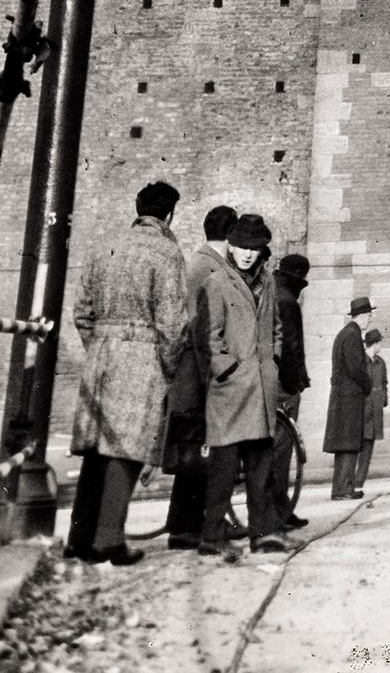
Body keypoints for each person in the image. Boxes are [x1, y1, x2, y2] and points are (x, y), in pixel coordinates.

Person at [65, 181, 190, 567]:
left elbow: (82, 312)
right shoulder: (167, 253)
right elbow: (172, 324)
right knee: (128, 448)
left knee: (97, 449)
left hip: (102, 354)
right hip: (143, 356)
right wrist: (166, 368)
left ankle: (79, 539)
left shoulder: (105, 246)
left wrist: (102, 345)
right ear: (169, 215)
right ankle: (109, 541)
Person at [200, 213, 291, 558]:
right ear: (230, 246)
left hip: (262, 388)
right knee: (222, 469)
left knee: (260, 466)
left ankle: (262, 532)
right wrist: (229, 370)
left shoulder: (267, 282)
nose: (248, 254)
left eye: (255, 248)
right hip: (230, 391)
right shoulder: (217, 282)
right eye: (241, 247)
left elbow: (276, 327)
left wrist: (274, 362)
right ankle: (211, 535)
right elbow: (209, 338)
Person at [163, 205, 234, 550]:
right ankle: (191, 528)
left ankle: (183, 526)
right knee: (200, 450)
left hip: (190, 371)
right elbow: (204, 329)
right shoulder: (211, 269)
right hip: (200, 373)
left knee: (193, 451)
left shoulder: (197, 263)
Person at [271, 253, 312, 531]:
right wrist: (296, 382)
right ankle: (278, 511)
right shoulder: (288, 301)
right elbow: (290, 348)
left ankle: (279, 507)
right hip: (283, 388)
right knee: (281, 451)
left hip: (268, 383)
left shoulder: (272, 294)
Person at [325, 297, 375, 500]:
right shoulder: (353, 335)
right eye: (369, 316)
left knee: (344, 443)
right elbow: (356, 368)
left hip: (342, 397)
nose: (370, 320)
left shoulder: (344, 334)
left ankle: (341, 487)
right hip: (350, 399)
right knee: (349, 443)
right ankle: (344, 488)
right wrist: (367, 385)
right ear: (361, 316)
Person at [356, 329, 388, 491]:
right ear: (374, 343)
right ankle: (352, 480)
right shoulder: (361, 361)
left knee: (369, 445)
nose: (381, 345)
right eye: (380, 342)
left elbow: (384, 383)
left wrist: (383, 400)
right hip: (362, 410)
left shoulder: (380, 362)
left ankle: (359, 481)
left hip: (375, 410)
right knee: (359, 444)